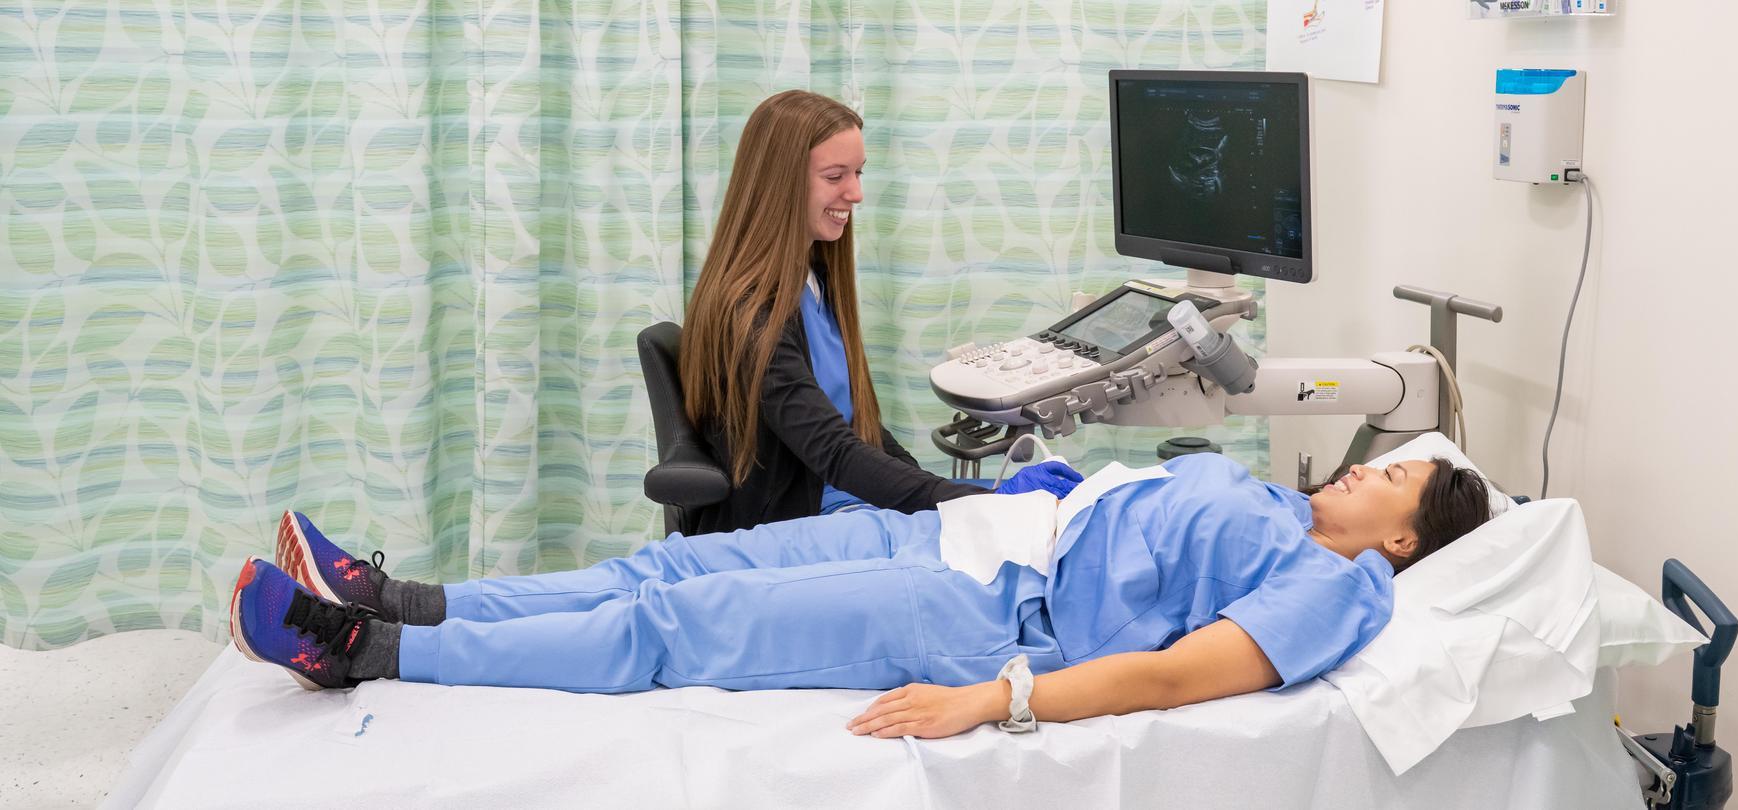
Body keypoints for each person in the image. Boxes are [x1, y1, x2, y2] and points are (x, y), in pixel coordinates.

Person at [232, 453, 1493, 737]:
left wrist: (993, 703)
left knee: (673, 631)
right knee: (664, 565)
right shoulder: (1272, 497)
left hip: (989, 620)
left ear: (1397, 545)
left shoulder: (1332, 591)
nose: (1371, 464)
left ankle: (358, 653)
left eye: (1398, 475)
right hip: (959, 538)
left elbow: (1174, 676)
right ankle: (402, 598)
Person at [674, 89, 1079, 533]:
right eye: (835, 176)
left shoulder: (813, 280)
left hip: (847, 502)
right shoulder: (749, 313)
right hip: (809, 522)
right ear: (779, 183)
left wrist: (951, 494)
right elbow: (834, 452)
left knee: (1067, 515)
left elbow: (859, 432)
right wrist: (979, 502)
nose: (857, 193)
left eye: (858, 172)